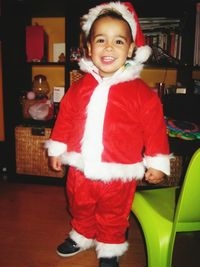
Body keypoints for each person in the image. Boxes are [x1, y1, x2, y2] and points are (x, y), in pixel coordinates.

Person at [45, 2, 170, 267]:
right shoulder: (79, 88)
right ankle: (82, 234)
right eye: (101, 40)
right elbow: (65, 117)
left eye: (118, 41)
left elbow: (155, 128)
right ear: (90, 48)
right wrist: (58, 148)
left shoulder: (142, 94)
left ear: (131, 49)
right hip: (80, 167)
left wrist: (156, 162)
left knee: (113, 212)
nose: (109, 48)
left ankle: (110, 246)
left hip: (119, 171)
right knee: (79, 204)